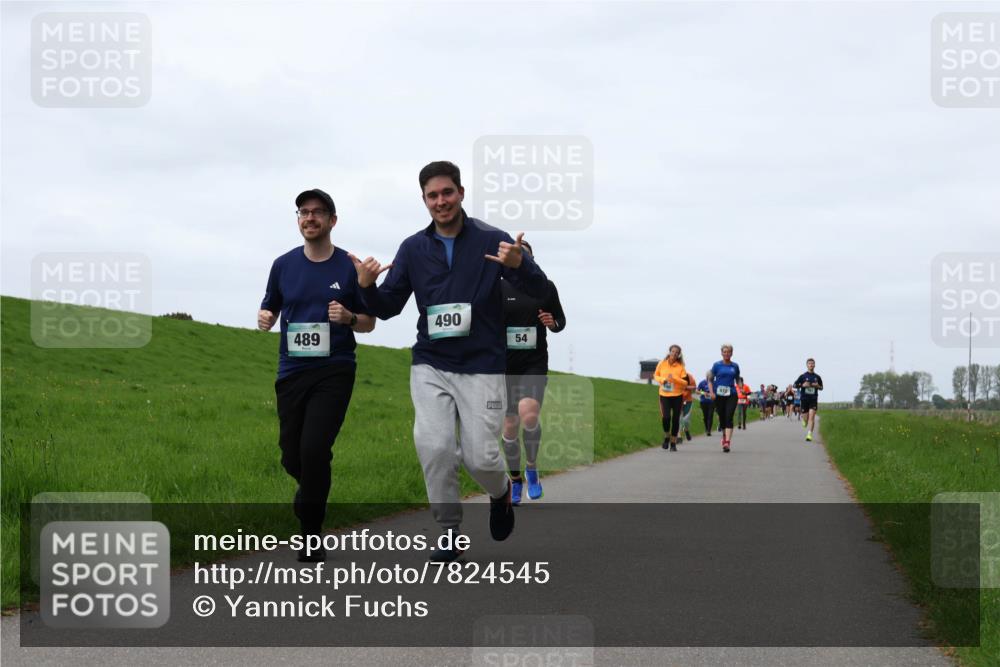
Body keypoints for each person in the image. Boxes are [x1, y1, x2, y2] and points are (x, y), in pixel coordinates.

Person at [352, 161, 548, 562]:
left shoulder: (494, 240)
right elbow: (387, 306)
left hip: (483, 365)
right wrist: (366, 287)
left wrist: (520, 265)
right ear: (424, 200)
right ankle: (448, 531)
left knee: (480, 456)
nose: (440, 201)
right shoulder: (412, 249)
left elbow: (540, 289)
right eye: (432, 195)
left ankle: (500, 495)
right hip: (431, 363)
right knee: (434, 445)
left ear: (461, 193)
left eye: (447, 193)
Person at [258, 188, 377, 562]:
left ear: (332, 221)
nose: (309, 218)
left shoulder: (348, 266)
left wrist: (349, 318)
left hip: (334, 369)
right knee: (291, 457)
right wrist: (265, 318)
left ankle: (310, 533)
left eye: (317, 213)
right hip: (291, 370)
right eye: (303, 212)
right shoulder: (282, 265)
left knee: (313, 449)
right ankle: (309, 489)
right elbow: (270, 307)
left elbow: (369, 323)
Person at [501, 240, 566, 505]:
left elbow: (560, 320)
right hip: (504, 365)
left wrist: (553, 323)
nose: (520, 259)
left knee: (528, 414)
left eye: (525, 255)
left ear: (531, 260)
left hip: (534, 362)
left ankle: (531, 467)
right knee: (509, 426)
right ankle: (515, 479)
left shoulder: (545, 287)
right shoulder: (497, 287)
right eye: (516, 255)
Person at [653, 345, 690, 451]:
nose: (674, 353)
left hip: (677, 396)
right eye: (672, 351)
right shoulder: (662, 363)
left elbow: (685, 383)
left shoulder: (680, 367)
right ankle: (666, 436)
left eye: (676, 352)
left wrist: (674, 378)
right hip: (664, 395)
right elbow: (655, 375)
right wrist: (663, 379)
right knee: (666, 417)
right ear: (669, 352)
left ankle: (673, 443)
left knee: (675, 420)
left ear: (679, 355)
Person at [708, 344, 741, 453]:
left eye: (729, 352)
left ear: (732, 353)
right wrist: (711, 392)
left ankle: (727, 442)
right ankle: (724, 434)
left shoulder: (735, 366)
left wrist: (740, 386)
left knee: (729, 416)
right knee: (722, 417)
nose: (727, 354)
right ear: (722, 353)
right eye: (725, 352)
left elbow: (738, 379)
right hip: (718, 394)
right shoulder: (717, 365)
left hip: (731, 394)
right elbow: (710, 380)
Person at [794, 358, 824, 442]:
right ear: (807, 365)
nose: (811, 365)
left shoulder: (817, 377)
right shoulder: (803, 376)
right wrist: (802, 385)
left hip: (813, 399)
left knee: (812, 417)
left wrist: (817, 386)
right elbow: (795, 385)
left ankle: (809, 434)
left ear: (814, 365)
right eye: (809, 363)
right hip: (804, 399)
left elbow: (822, 387)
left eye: (812, 363)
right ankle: (804, 420)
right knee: (806, 419)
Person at [679, 371, 697, 441]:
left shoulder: (689, 377)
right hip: (677, 400)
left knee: (686, 420)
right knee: (678, 419)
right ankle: (679, 436)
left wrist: (685, 387)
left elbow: (694, 388)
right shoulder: (675, 376)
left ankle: (686, 430)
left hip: (688, 400)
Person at [697, 371, 715, 436]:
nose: (711, 377)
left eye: (712, 376)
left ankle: (709, 430)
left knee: (710, 415)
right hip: (703, 401)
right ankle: (706, 428)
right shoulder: (702, 383)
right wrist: (703, 393)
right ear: (707, 376)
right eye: (709, 375)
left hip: (712, 402)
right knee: (705, 416)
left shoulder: (714, 383)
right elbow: (697, 391)